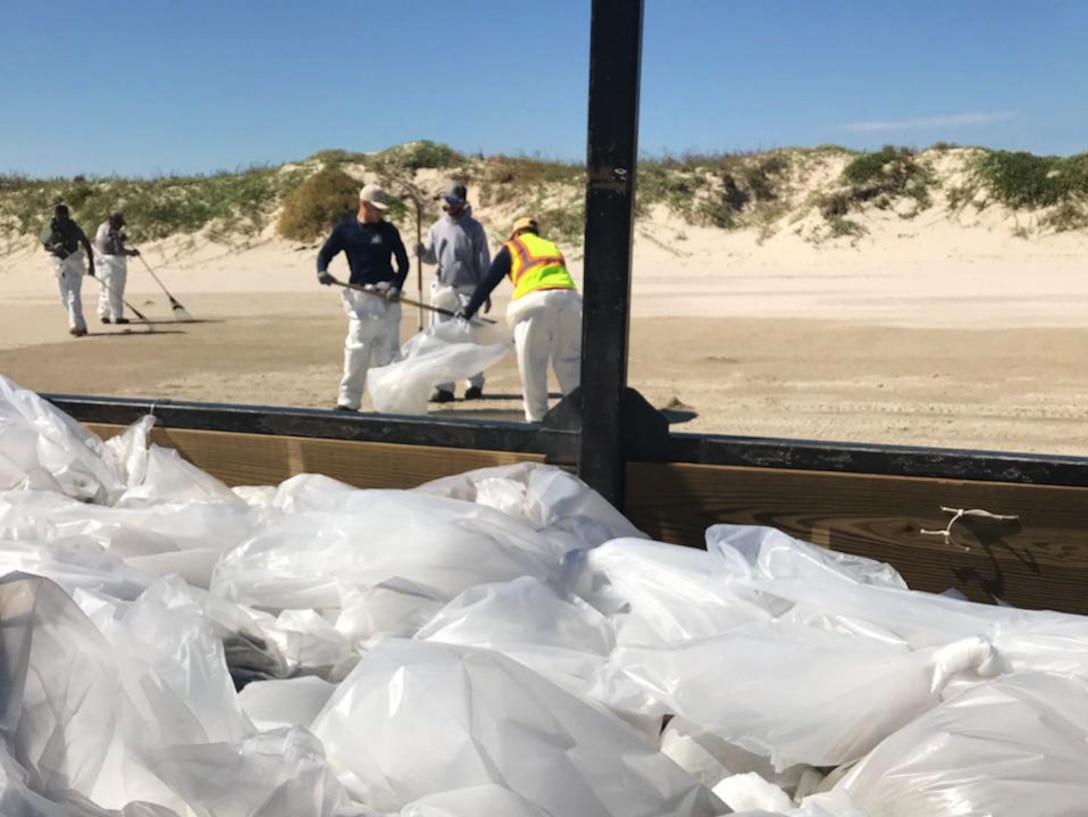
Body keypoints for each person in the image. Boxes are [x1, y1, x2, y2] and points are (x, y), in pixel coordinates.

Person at [457, 217, 582, 423]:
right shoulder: (550, 246)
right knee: (570, 361)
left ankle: (537, 420)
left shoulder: (513, 247)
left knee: (532, 364)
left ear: (515, 234)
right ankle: (582, 418)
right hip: (569, 302)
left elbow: (490, 279)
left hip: (533, 304)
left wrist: (470, 308)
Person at [316, 184, 410, 411]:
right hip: (361, 299)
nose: (381, 214)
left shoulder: (388, 231)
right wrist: (322, 270)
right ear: (364, 205)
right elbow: (325, 253)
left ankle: (389, 403)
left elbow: (403, 263)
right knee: (356, 351)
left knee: (388, 353)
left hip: (386, 297)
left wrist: (396, 286)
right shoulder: (345, 229)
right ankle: (348, 401)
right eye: (377, 209)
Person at [416, 181, 492, 403]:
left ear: (463, 203)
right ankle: (445, 388)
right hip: (443, 289)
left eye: (454, 201)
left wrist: (484, 292)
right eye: (447, 200)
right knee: (441, 339)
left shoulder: (474, 228)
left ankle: (475, 384)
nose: (449, 205)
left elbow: (483, 262)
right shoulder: (436, 228)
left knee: (469, 339)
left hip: (469, 290)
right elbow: (432, 258)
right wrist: (422, 253)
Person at [39, 204, 95, 337]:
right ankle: (80, 325)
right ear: (56, 216)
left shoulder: (74, 228)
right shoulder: (50, 228)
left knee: (73, 296)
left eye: (65, 216)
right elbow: (45, 245)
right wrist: (55, 248)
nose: (63, 220)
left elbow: (86, 244)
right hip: (59, 265)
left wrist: (92, 265)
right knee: (64, 298)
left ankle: (75, 325)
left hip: (74, 263)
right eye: (61, 217)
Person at [94, 211, 140, 324]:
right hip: (113, 262)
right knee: (116, 290)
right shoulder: (113, 232)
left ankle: (104, 314)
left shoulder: (102, 227)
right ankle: (117, 316)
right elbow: (119, 250)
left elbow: (106, 243)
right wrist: (132, 252)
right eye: (119, 224)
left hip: (101, 261)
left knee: (104, 288)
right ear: (113, 221)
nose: (120, 227)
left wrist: (121, 240)